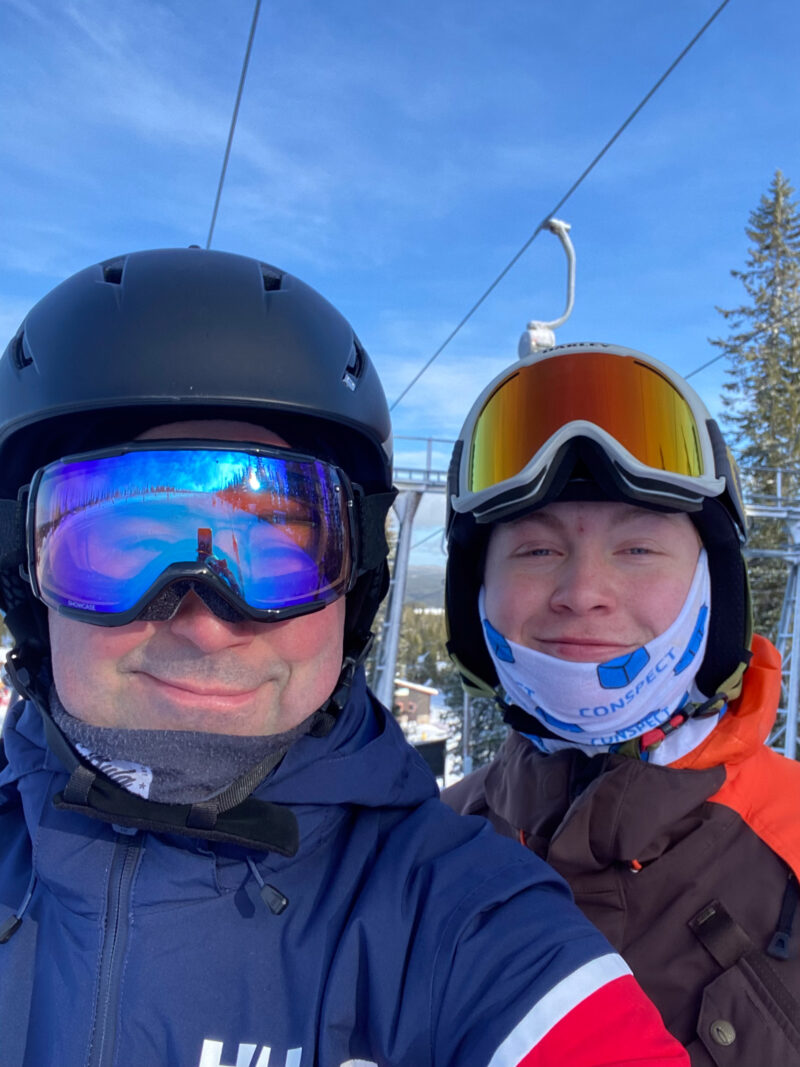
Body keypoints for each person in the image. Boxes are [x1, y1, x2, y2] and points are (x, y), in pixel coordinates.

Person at [0, 252, 686, 1067]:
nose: (205, 623)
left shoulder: (461, 924)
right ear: (27, 583)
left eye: (274, 550)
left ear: (353, 586)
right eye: (124, 545)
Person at [442, 342, 800, 1065]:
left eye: (637, 549)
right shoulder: (432, 846)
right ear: (474, 593)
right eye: (536, 550)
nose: (583, 593)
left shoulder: (788, 842)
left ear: (713, 585)